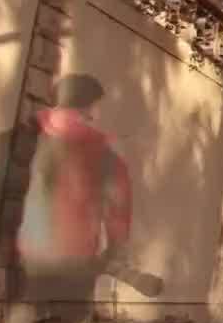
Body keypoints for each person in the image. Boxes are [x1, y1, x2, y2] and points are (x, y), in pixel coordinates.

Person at [14, 74, 161, 300]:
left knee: (26, 320)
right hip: (76, 259)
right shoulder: (103, 152)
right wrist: (115, 251)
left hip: (28, 252)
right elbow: (118, 211)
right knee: (60, 321)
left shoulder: (29, 133)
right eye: (97, 105)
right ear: (88, 106)